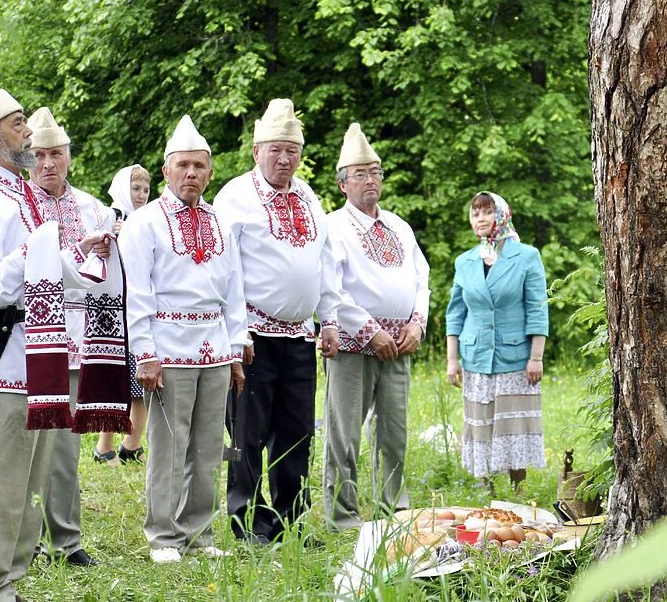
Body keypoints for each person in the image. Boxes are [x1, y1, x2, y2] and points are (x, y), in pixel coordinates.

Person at [0, 79, 110, 601]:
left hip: (39, 354)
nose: (29, 132)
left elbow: (49, 266)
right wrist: (26, 264)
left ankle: (8, 582)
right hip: (5, 359)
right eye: (18, 123)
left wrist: (85, 264)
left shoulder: (17, 194)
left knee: (28, 483)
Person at [214, 98, 341, 544]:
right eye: (276, 150)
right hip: (252, 335)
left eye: (293, 150)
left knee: (296, 431)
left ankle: (291, 520)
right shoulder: (234, 197)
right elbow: (223, 269)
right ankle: (248, 521)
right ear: (256, 150)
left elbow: (324, 262)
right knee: (247, 432)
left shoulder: (308, 196)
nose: (285, 159)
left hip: (299, 337)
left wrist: (329, 320)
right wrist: (235, 331)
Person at [122, 115, 247, 563]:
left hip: (213, 346)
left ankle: (198, 533)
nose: (191, 173)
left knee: (209, 447)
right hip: (168, 346)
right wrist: (146, 355)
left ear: (211, 172)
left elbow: (235, 290)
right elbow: (137, 293)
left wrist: (235, 349)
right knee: (169, 447)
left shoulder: (220, 222)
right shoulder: (145, 223)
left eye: (199, 166)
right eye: (183, 165)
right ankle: (163, 535)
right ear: (166, 170)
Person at [322, 123, 430, 530]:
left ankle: (393, 509)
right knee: (344, 435)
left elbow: (423, 278)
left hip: (400, 344)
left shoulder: (400, 226)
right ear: (342, 184)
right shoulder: (333, 226)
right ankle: (343, 515)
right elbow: (329, 287)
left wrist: (417, 323)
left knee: (394, 433)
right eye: (361, 174)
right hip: (353, 344)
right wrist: (369, 330)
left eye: (376, 172)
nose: (371, 180)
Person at [26, 107, 114, 567]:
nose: (47, 164)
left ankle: (64, 539)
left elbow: (110, 273)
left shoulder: (92, 206)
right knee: (31, 444)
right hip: (32, 339)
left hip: (79, 341)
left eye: (55, 154)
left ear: (68, 158)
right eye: (38, 155)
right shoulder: (19, 203)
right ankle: (28, 539)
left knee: (64, 446)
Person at [445, 192, 549, 490]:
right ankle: (484, 486)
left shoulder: (526, 256)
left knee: (513, 423)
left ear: (502, 215)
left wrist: (536, 357)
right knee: (480, 421)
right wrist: (453, 359)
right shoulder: (464, 262)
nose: (479, 218)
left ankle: (518, 486)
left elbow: (537, 309)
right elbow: (455, 313)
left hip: (515, 356)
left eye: (486, 212)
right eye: (474, 213)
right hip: (476, 355)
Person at [94, 164, 152, 467]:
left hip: (137, 308)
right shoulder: (109, 216)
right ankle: (104, 447)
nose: (141, 195)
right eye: (135, 189)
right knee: (113, 381)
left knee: (139, 382)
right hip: (111, 309)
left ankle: (133, 444)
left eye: (144, 189)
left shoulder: (149, 219)